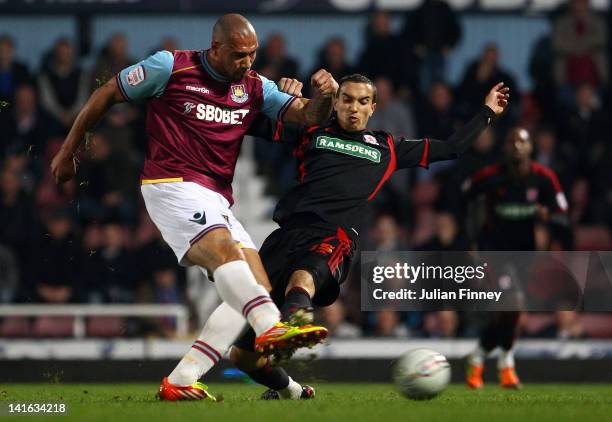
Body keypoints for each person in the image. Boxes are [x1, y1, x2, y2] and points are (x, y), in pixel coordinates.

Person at [50, 13, 337, 401]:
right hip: (171, 185)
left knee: (255, 288)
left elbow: (306, 117)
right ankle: (272, 324)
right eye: (239, 55)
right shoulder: (169, 66)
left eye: (253, 54)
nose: (247, 63)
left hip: (217, 197)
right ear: (215, 48)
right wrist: (69, 153)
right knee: (230, 263)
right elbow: (105, 95)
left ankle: (185, 378)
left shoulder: (253, 86)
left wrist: (326, 97)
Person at [225, 74, 509, 399]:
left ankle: (293, 322)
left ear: (373, 108)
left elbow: (452, 147)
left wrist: (486, 112)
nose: (354, 108)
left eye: (362, 102)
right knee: (243, 357)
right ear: (335, 102)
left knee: (302, 278)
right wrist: (282, 101)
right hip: (287, 235)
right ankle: (292, 390)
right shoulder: (311, 128)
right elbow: (248, 124)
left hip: (335, 236)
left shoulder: (386, 147)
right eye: (346, 99)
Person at [463, 127, 571, 390]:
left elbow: (563, 215)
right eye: (511, 142)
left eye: (521, 141)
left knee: (509, 314)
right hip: (494, 252)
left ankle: (478, 357)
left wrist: (549, 218)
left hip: (526, 254)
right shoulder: (489, 177)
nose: (516, 147)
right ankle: (506, 366)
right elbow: (462, 200)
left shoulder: (544, 179)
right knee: (513, 303)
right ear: (504, 149)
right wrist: (470, 242)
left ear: (530, 148)